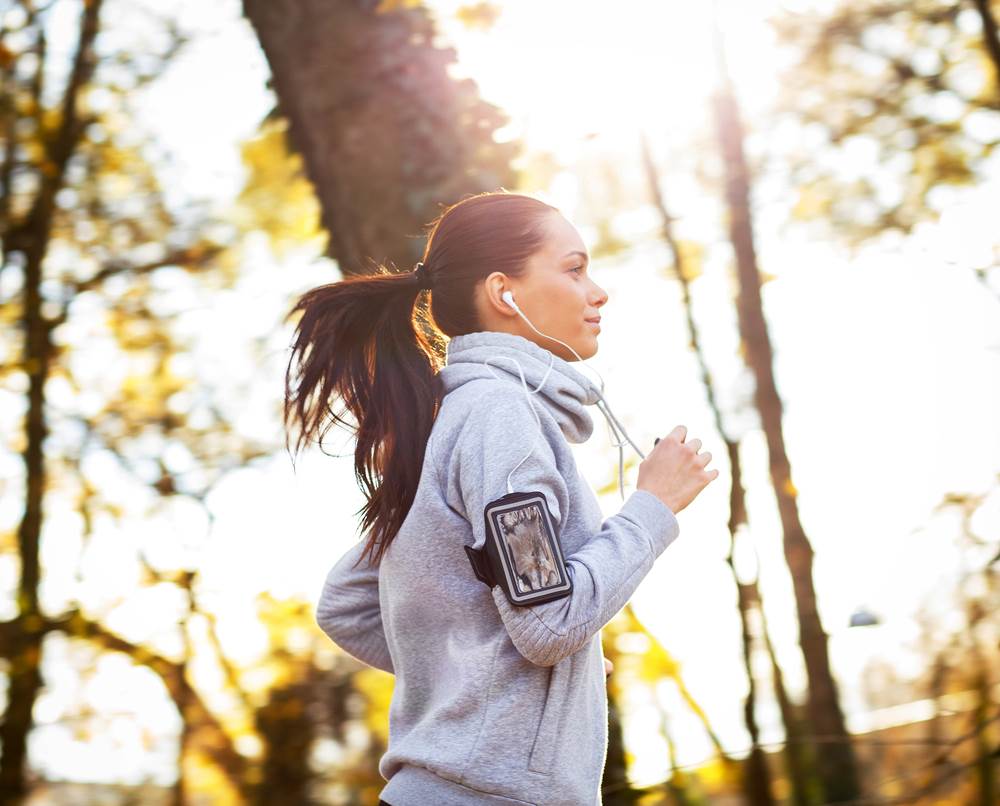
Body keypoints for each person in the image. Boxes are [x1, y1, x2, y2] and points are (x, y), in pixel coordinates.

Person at [283, 190, 718, 805]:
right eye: (574, 268)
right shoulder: (499, 418)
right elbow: (546, 623)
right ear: (503, 293)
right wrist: (654, 506)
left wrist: (507, 681)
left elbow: (346, 601)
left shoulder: (456, 419)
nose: (598, 291)